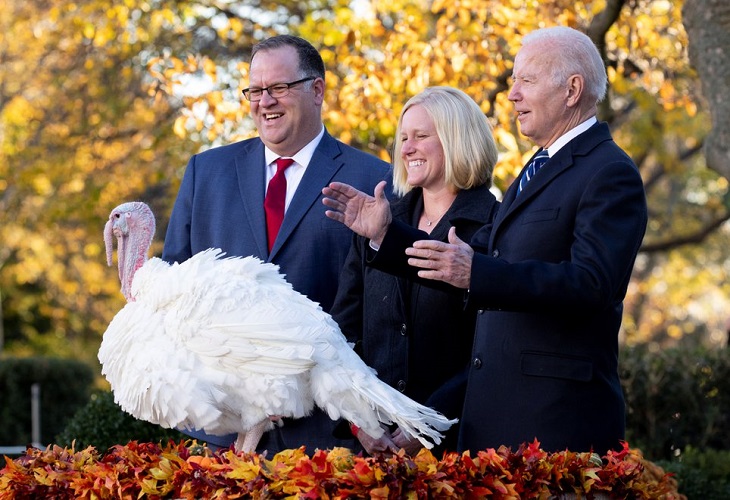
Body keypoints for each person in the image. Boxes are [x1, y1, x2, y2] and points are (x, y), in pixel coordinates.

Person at [323, 26, 648, 456]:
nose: (511, 94)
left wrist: (476, 271)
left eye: (525, 80)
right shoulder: (539, 169)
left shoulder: (609, 171)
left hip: (557, 426)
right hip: (501, 426)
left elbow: (592, 284)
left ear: (572, 89)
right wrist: (385, 236)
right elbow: (464, 264)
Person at [162, 34, 391, 454]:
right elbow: (172, 295)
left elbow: (385, 310)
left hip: (327, 437)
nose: (264, 101)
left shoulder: (373, 180)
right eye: (256, 90)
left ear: (317, 90)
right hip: (222, 435)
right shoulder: (205, 173)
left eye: (279, 88)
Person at [329, 87, 499, 456]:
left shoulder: (494, 226)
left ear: (457, 139)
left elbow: (492, 350)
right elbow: (342, 335)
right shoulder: (380, 219)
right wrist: (360, 421)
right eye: (403, 138)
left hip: (458, 450)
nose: (406, 149)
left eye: (421, 136)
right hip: (374, 449)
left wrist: (428, 422)